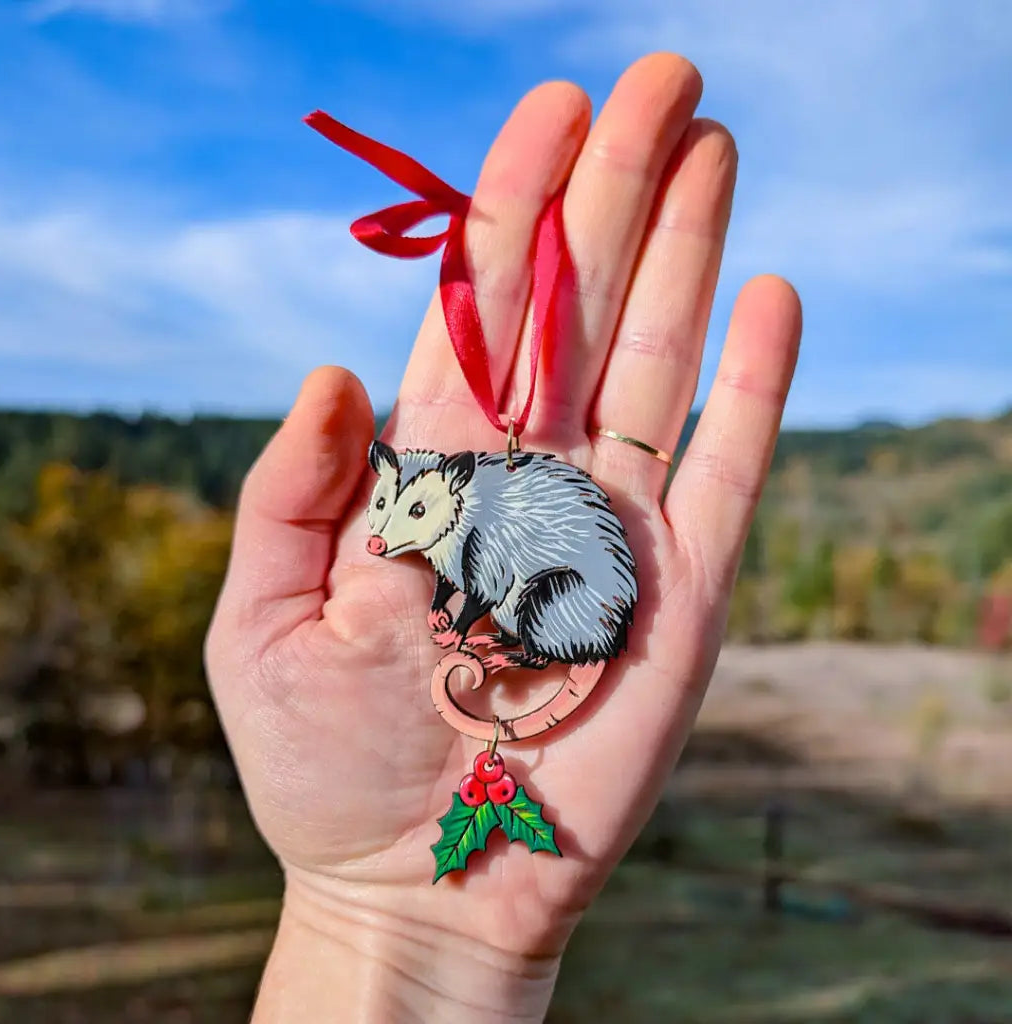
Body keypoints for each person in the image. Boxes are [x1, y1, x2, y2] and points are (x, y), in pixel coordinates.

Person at [204, 51, 801, 1022]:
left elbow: (490, 576)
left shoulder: (490, 515)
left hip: (559, 610)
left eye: (406, 521)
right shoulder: (452, 519)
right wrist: (358, 908)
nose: (393, 543)